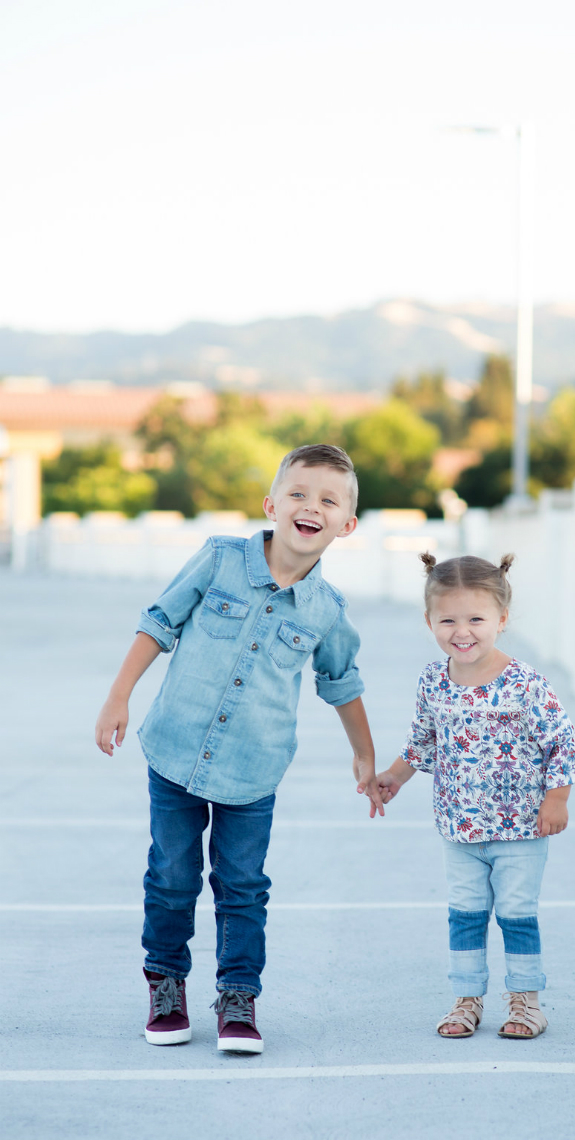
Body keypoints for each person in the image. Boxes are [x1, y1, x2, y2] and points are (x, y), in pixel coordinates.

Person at [95, 444, 383, 1054]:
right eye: (299, 494)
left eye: (328, 500)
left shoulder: (327, 611)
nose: (311, 508)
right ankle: (166, 984)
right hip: (176, 751)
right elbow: (158, 623)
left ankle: (237, 997)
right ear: (271, 503)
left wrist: (364, 754)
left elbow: (343, 684)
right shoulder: (220, 560)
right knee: (172, 878)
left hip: (254, 770)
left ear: (347, 525)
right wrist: (119, 696)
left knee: (243, 886)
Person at [374, 552, 575, 1040]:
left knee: (516, 915)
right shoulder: (433, 680)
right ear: (429, 620)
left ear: (502, 620)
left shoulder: (525, 683)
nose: (461, 631)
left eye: (476, 618)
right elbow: (423, 739)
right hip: (459, 827)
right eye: (447, 619)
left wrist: (556, 800)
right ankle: (466, 999)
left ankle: (526, 1002)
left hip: (521, 828)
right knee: (465, 916)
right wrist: (395, 775)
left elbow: (562, 742)